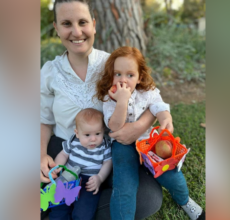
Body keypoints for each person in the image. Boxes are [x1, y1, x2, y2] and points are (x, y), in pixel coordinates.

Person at [40, 0, 163, 219]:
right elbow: (44, 120)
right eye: (66, 23)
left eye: (83, 22)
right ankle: (67, 203)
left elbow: (151, 96)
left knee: (147, 198)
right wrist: (40, 155)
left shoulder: (113, 65)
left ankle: (77, 205)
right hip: (65, 151)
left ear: (94, 25)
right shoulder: (50, 72)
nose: (76, 31)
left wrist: (139, 126)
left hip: (109, 153)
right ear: (57, 28)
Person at [95, 46, 205, 220]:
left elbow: (158, 106)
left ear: (139, 77)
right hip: (123, 146)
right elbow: (115, 126)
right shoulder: (110, 98)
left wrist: (165, 118)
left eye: (130, 75)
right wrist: (121, 100)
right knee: (125, 185)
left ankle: (184, 200)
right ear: (111, 75)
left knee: (171, 175)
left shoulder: (147, 91)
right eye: (118, 74)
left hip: (150, 142)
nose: (123, 80)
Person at [49, 108, 112, 220]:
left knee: (84, 213)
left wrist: (100, 178)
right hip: (68, 178)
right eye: (87, 135)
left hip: (89, 182)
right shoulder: (73, 141)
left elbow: (108, 162)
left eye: (98, 133)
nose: (93, 139)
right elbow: (64, 154)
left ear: (103, 131)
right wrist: (57, 167)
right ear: (77, 133)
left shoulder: (104, 145)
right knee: (59, 209)